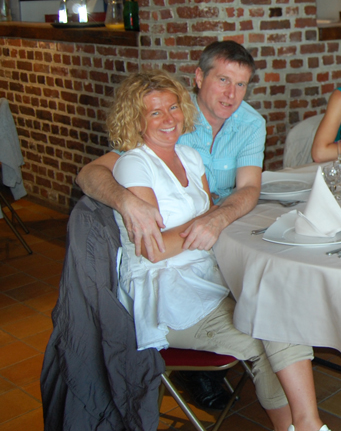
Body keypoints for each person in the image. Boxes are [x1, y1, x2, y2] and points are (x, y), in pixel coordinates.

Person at [107, 70, 329, 431]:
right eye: (155, 112)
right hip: (168, 293)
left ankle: (306, 425)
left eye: (173, 108)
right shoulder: (134, 164)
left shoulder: (188, 157)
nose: (169, 119)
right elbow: (154, 249)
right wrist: (206, 223)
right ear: (136, 120)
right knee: (267, 331)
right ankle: (305, 426)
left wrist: (217, 222)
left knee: (281, 307)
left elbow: (213, 218)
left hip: (206, 273)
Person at [76, 40, 265, 409]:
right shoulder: (169, 118)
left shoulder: (249, 122)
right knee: (261, 321)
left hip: (222, 224)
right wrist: (125, 201)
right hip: (178, 251)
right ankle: (202, 362)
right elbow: (90, 173)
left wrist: (218, 216)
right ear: (199, 78)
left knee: (275, 285)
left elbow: (249, 189)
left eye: (241, 84)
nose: (231, 94)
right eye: (223, 80)